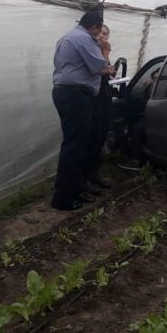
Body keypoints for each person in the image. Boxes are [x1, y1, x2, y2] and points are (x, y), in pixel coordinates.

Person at [51, 12, 114, 211]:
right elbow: (100, 67)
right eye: (99, 31)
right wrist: (105, 53)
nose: (99, 35)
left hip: (64, 92)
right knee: (74, 147)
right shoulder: (84, 39)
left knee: (74, 144)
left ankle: (74, 190)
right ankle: (64, 199)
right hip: (76, 95)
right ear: (94, 27)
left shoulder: (66, 37)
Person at [83, 24, 115, 189]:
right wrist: (106, 52)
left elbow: (108, 71)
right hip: (93, 99)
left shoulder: (101, 51)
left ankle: (94, 174)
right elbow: (98, 70)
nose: (103, 37)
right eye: (101, 33)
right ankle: (86, 177)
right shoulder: (90, 50)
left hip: (104, 98)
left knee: (100, 137)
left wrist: (107, 56)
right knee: (92, 138)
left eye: (106, 35)